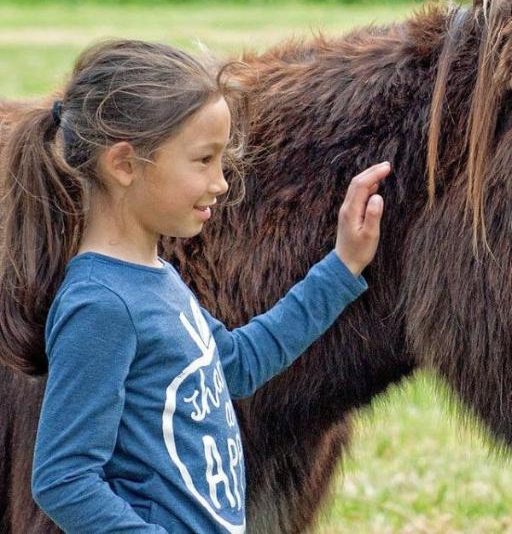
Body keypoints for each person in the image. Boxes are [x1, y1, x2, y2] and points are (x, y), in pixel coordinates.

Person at [0, 39, 391, 532]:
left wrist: (342, 267)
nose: (221, 182)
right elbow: (64, 477)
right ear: (124, 164)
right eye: (203, 160)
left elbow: (237, 365)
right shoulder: (100, 306)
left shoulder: (155, 277)